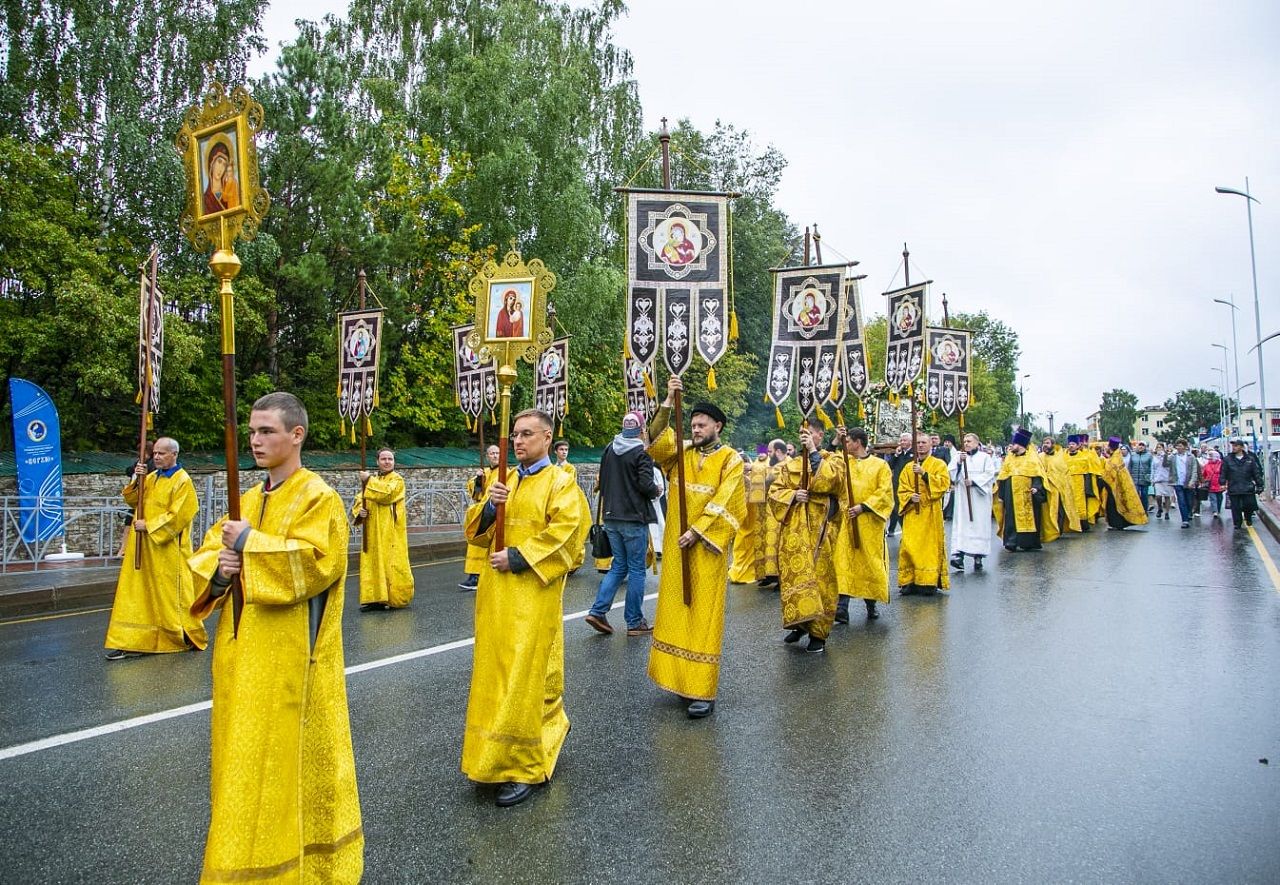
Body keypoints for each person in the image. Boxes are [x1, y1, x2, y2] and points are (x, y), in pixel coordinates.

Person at [188, 392, 362, 882]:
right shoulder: (246, 499)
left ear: (296, 435)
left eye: (266, 431)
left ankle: (297, 869)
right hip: (240, 659)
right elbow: (210, 559)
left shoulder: (318, 497)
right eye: (251, 431)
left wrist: (249, 544)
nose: (255, 440)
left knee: (284, 768)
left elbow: (315, 564)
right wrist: (222, 574)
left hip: (290, 661)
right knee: (241, 768)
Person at [461, 408, 589, 807]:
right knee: (494, 676)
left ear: (547, 438)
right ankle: (491, 758)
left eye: (527, 434)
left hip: (533, 596)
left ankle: (524, 766)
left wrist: (518, 557)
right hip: (496, 598)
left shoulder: (561, 483)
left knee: (525, 678)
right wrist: (486, 508)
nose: (518, 441)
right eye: (515, 434)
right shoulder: (505, 481)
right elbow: (476, 536)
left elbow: (569, 534)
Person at [646, 376, 745, 718]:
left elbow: (730, 500)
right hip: (677, 550)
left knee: (703, 616)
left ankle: (701, 688)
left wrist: (699, 531)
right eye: (693, 423)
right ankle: (677, 678)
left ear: (718, 425)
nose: (697, 428)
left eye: (703, 424)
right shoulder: (680, 454)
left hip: (706, 549)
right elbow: (653, 438)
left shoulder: (731, 459)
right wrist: (668, 399)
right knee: (676, 612)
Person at [104, 436, 207, 660]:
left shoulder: (183, 481)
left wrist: (148, 526)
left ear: (174, 455)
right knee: (138, 593)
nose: (156, 457)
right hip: (143, 547)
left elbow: (180, 515)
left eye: (162, 453)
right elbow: (133, 500)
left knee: (169, 596)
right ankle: (134, 640)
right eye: (155, 453)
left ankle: (180, 635)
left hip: (167, 551)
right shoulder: (151, 478)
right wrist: (137, 479)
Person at [584, 411, 662, 636]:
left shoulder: (609, 448)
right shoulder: (641, 453)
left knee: (619, 565)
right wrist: (655, 490)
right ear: (641, 429)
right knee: (637, 569)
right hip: (633, 516)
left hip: (610, 516)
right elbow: (646, 485)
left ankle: (598, 611)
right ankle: (635, 621)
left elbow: (603, 479)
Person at [767, 424, 839, 652]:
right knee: (797, 578)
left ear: (820, 435)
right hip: (795, 533)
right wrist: (793, 495)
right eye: (801, 433)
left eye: (810, 433)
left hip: (821, 530)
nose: (804, 436)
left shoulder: (834, 460)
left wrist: (814, 454)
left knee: (820, 579)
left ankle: (818, 634)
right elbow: (775, 492)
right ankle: (800, 624)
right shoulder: (791, 465)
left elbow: (833, 482)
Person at [830, 426, 893, 622]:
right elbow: (828, 465)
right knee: (844, 561)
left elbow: (885, 492)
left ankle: (871, 603)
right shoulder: (844, 462)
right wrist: (835, 440)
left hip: (869, 522)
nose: (846, 444)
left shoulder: (879, 466)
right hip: (847, 520)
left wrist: (864, 507)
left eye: (848, 441)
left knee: (868, 563)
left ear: (858, 442)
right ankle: (842, 607)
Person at [352, 447, 415, 611]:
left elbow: (387, 495)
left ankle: (394, 597)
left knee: (391, 562)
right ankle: (374, 598)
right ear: (377, 461)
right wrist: (360, 511)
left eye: (390, 459)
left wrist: (368, 481)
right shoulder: (374, 480)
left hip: (390, 531)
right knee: (372, 562)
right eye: (384, 459)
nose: (387, 462)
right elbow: (361, 498)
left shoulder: (397, 480)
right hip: (373, 529)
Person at [897, 432, 951, 595]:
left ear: (930, 445)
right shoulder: (908, 467)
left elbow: (943, 484)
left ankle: (928, 581)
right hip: (913, 513)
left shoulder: (939, 464)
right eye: (918, 443)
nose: (920, 445)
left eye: (924, 443)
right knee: (909, 545)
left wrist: (924, 474)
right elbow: (902, 488)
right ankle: (909, 580)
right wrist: (909, 497)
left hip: (930, 512)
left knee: (928, 547)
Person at [948, 432, 996, 572]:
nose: (966, 444)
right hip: (963, 497)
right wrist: (958, 463)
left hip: (979, 497)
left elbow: (990, 473)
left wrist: (974, 482)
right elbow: (950, 473)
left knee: (978, 524)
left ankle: (978, 556)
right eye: (964, 441)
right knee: (962, 524)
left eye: (969, 441)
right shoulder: (958, 457)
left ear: (976, 443)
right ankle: (959, 556)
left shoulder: (985, 457)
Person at [994, 428, 1046, 552]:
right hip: (1010, 494)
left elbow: (1038, 476)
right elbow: (1003, 477)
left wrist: (1036, 488)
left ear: (1021, 445)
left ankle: (1028, 543)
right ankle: (1011, 542)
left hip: (1028, 494)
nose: (1011, 446)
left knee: (1030, 516)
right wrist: (1001, 495)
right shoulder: (1009, 458)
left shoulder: (1032, 460)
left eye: (1014, 444)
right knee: (1011, 517)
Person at [459, 444, 501, 590]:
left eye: (497, 453)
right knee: (475, 542)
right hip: (482, 511)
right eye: (492, 453)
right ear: (487, 456)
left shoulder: (506, 472)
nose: (495, 456)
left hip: (494, 512)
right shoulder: (485, 471)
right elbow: (475, 491)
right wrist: (478, 479)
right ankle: (474, 574)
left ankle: (480, 575)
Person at [728, 447, 769, 584]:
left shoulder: (761, 468)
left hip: (754, 517)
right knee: (740, 545)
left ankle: (750, 572)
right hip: (742, 518)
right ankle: (738, 570)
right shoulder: (746, 472)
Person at [1096, 437, 1149, 529]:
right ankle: (1117, 523)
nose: (1107, 448)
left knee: (1114, 505)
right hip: (1116, 485)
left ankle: (1117, 523)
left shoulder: (1114, 459)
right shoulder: (1116, 456)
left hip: (1114, 486)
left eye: (1108, 446)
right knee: (1116, 504)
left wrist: (1101, 479)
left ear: (1111, 447)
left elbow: (1109, 473)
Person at [756, 439, 789, 589]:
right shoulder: (775, 464)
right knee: (767, 541)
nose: (767, 455)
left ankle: (780, 577)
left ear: (777, 451)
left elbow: (769, 479)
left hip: (781, 510)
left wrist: (755, 478)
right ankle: (769, 574)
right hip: (769, 509)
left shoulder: (787, 464)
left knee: (778, 542)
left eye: (769, 452)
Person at [1221, 437, 1264, 529]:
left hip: (1247, 486)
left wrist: (1260, 484)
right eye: (1233, 445)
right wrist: (1222, 482)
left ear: (1241, 447)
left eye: (1236, 445)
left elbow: (1256, 473)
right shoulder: (1227, 459)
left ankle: (1248, 518)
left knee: (1248, 505)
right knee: (1235, 507)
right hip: (1234, 486)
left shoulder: (1250, 459)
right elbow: (1223, 471)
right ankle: (1237, 523)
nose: (1234, 447)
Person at [1064, 435, 1101, 529]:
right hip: (1068, 484)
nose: (1071, 446)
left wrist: (1088, 487)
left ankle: (1083, 524)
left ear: (1077, 446)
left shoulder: (1084, 457)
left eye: (1073, 444)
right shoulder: (1064, 457)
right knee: (1069, 503)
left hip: (1080, 484)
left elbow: (1089, 472)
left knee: (1080, 504)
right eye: (1069, 444)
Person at [1163, 438, 1201, 529]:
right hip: (1177, 482)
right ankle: (1185, 520)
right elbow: (1165, 464)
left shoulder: (1191, 457)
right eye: (1177, 446)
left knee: (1189, 501)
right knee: (1181, 501)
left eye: (1180, 446)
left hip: (1188, 482)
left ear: (1185, 447)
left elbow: (1194, 470)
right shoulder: (1173, 456)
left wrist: (1192, 481)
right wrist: (1165, 454)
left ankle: (1189, 513)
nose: (1178, 448)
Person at [884, 431, 914, 536]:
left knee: (906, 508)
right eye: (901, 440)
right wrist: (896, 455)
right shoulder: (899, 453)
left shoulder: (915, 453)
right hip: (897, 484)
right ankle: (895, 529)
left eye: (904, 440)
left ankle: (907, 531)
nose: (902, 442)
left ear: (911, 441)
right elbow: (889, 466)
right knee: (896, 508)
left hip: (909, 485)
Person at [202, 137, 239, 214]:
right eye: (219, 162)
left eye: (224, 165)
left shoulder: (231, 188)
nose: (221, 168)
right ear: (211, 163)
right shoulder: (205, 199)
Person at [1127, 440, 1154, 514]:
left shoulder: (1149, 455)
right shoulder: (1133, 455)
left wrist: (1151, 476)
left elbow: (1152, 467)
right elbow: (1130, 466)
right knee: (1136, 495)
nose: (1141, 446)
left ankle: (1144, 510)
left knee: (1144, 495)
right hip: (1135, 478)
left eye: (1142, 445)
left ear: (1145, 447)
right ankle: (1137, 511)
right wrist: (1129, 476)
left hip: (1145, 479)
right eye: (1140, 445)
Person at [1151, 442, 1173, 519]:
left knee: (1167, 496)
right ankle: (1160, 508)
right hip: (1157, 479)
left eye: (1160, 447)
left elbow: (1168, 466)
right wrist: (1152, 479)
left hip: (1166, 479)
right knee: (1158, 496)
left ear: (1163, 448)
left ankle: (1167, 512)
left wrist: (1164, 456)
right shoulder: (1154, 458)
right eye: (1158, 447)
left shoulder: (1168, 456)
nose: (1159, 449)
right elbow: (1153, 468)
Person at [1202, 450, 1225, 520]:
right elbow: (1204, 474)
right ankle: (1215, 511)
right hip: (1210, 484)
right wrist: (1203, 481)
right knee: (1213, 499)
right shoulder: (1206, 465)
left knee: (1219, 498)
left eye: (1212, 456)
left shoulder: (1222, 464)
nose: (1210, 457)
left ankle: (1218, 509)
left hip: (1219, 483)